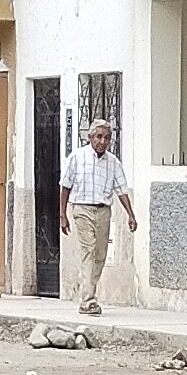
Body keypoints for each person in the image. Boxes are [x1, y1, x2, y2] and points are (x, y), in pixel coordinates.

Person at [60, 119, 133, 315]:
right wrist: (62, 214)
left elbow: (122, 190)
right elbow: (65, 186)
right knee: (88, 250)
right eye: (99, 136)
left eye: (107, 138)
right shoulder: (77, 157)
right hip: (82, 209)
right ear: (90, 137)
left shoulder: (113, 162)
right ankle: (87, 300)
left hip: (103, 211)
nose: (102, 141)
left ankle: (88, 291)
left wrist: (130, 215)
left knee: (100, 254)